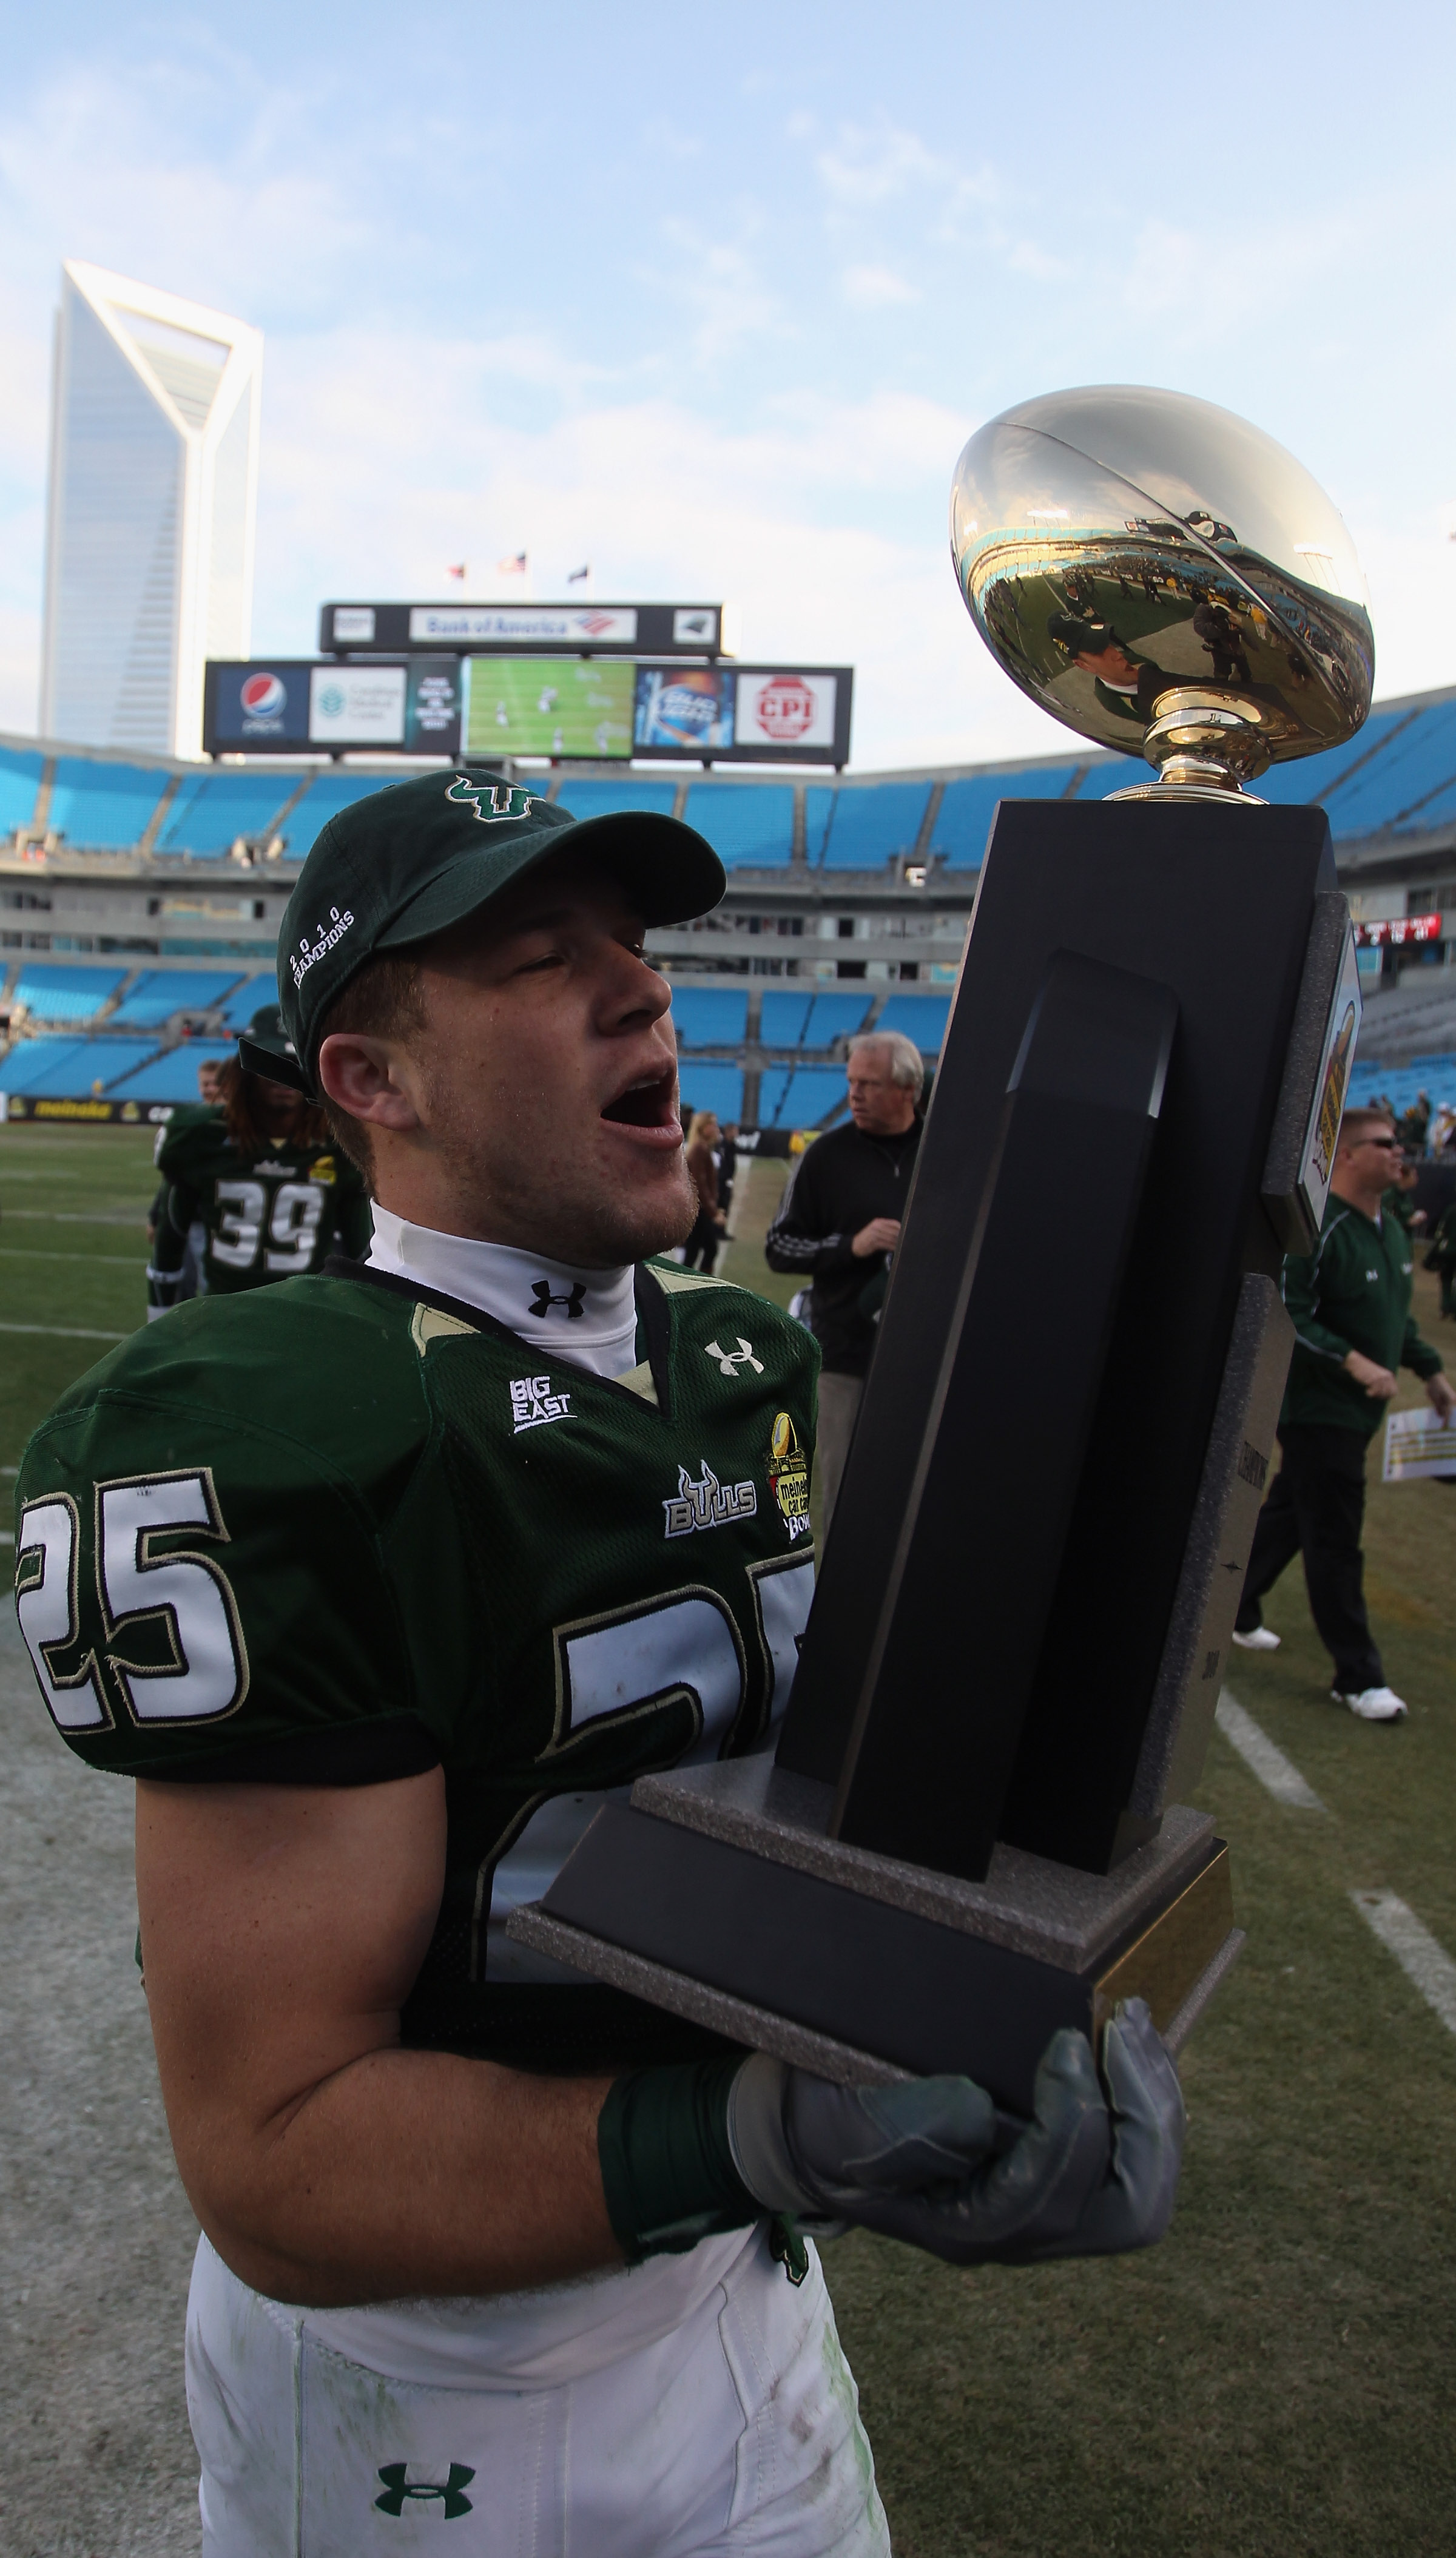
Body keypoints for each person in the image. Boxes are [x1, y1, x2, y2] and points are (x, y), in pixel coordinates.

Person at [15, 769, 1182, 2557]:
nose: (642, 990)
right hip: (420, 2373)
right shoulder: (291, 1425)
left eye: (636, 953)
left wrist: (990, 2007)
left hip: (733, 2293)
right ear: (373, 1079)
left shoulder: (734, 1359)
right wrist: (770, 2131)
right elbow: (278, 2158)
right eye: (545, 960)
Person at [1233, 1107, 1455, 1719]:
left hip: (1357, 1416)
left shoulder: (1388, 1230)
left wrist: (1430, 1370)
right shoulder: (1319, 1227)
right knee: (1335, 1535)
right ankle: (1357, 1676)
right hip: (1316, 1408)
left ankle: (1237, 1604)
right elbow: (1287, 1313)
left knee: (1289, 1513)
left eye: (1403, 1144)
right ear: (1350, 1154)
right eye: (1385, 1144)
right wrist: (1350, 1361)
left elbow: (1395, 1316)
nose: (1400, 1153)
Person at [764, 1031, 924, 1531]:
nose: (854, 1094)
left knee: (919, 1497)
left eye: (869, 1084)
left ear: (908, 1090)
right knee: (841, 1501)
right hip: (845, 1361)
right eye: (851, 1081)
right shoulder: (825, 1158)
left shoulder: (946, 1152)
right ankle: (841, 1607)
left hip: (927, 1360)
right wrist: (850, 1246)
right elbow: (779, 1246)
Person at [146, 1005, 371, 1314]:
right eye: (272, 1063)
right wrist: (159, 1318)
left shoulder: (339, 1140)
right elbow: (170, 1242)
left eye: (294, 1063)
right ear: (247, 1069)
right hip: (222, 1308)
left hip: (305, 1311)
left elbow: (361, 1251)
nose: (284, 1076)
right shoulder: (202, 1136)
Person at [682, 1106, 728, 1271]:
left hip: (700, 1209)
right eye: (713, 1125)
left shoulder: (701, 1148)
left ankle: (687, 1286)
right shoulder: (699, 1150)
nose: (716, 1128)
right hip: (700, 1211)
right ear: (703, 1128)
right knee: (709, 1249)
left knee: (693, 1252)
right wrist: (714, 1213)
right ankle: (701, 1288)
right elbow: (700, 1185)